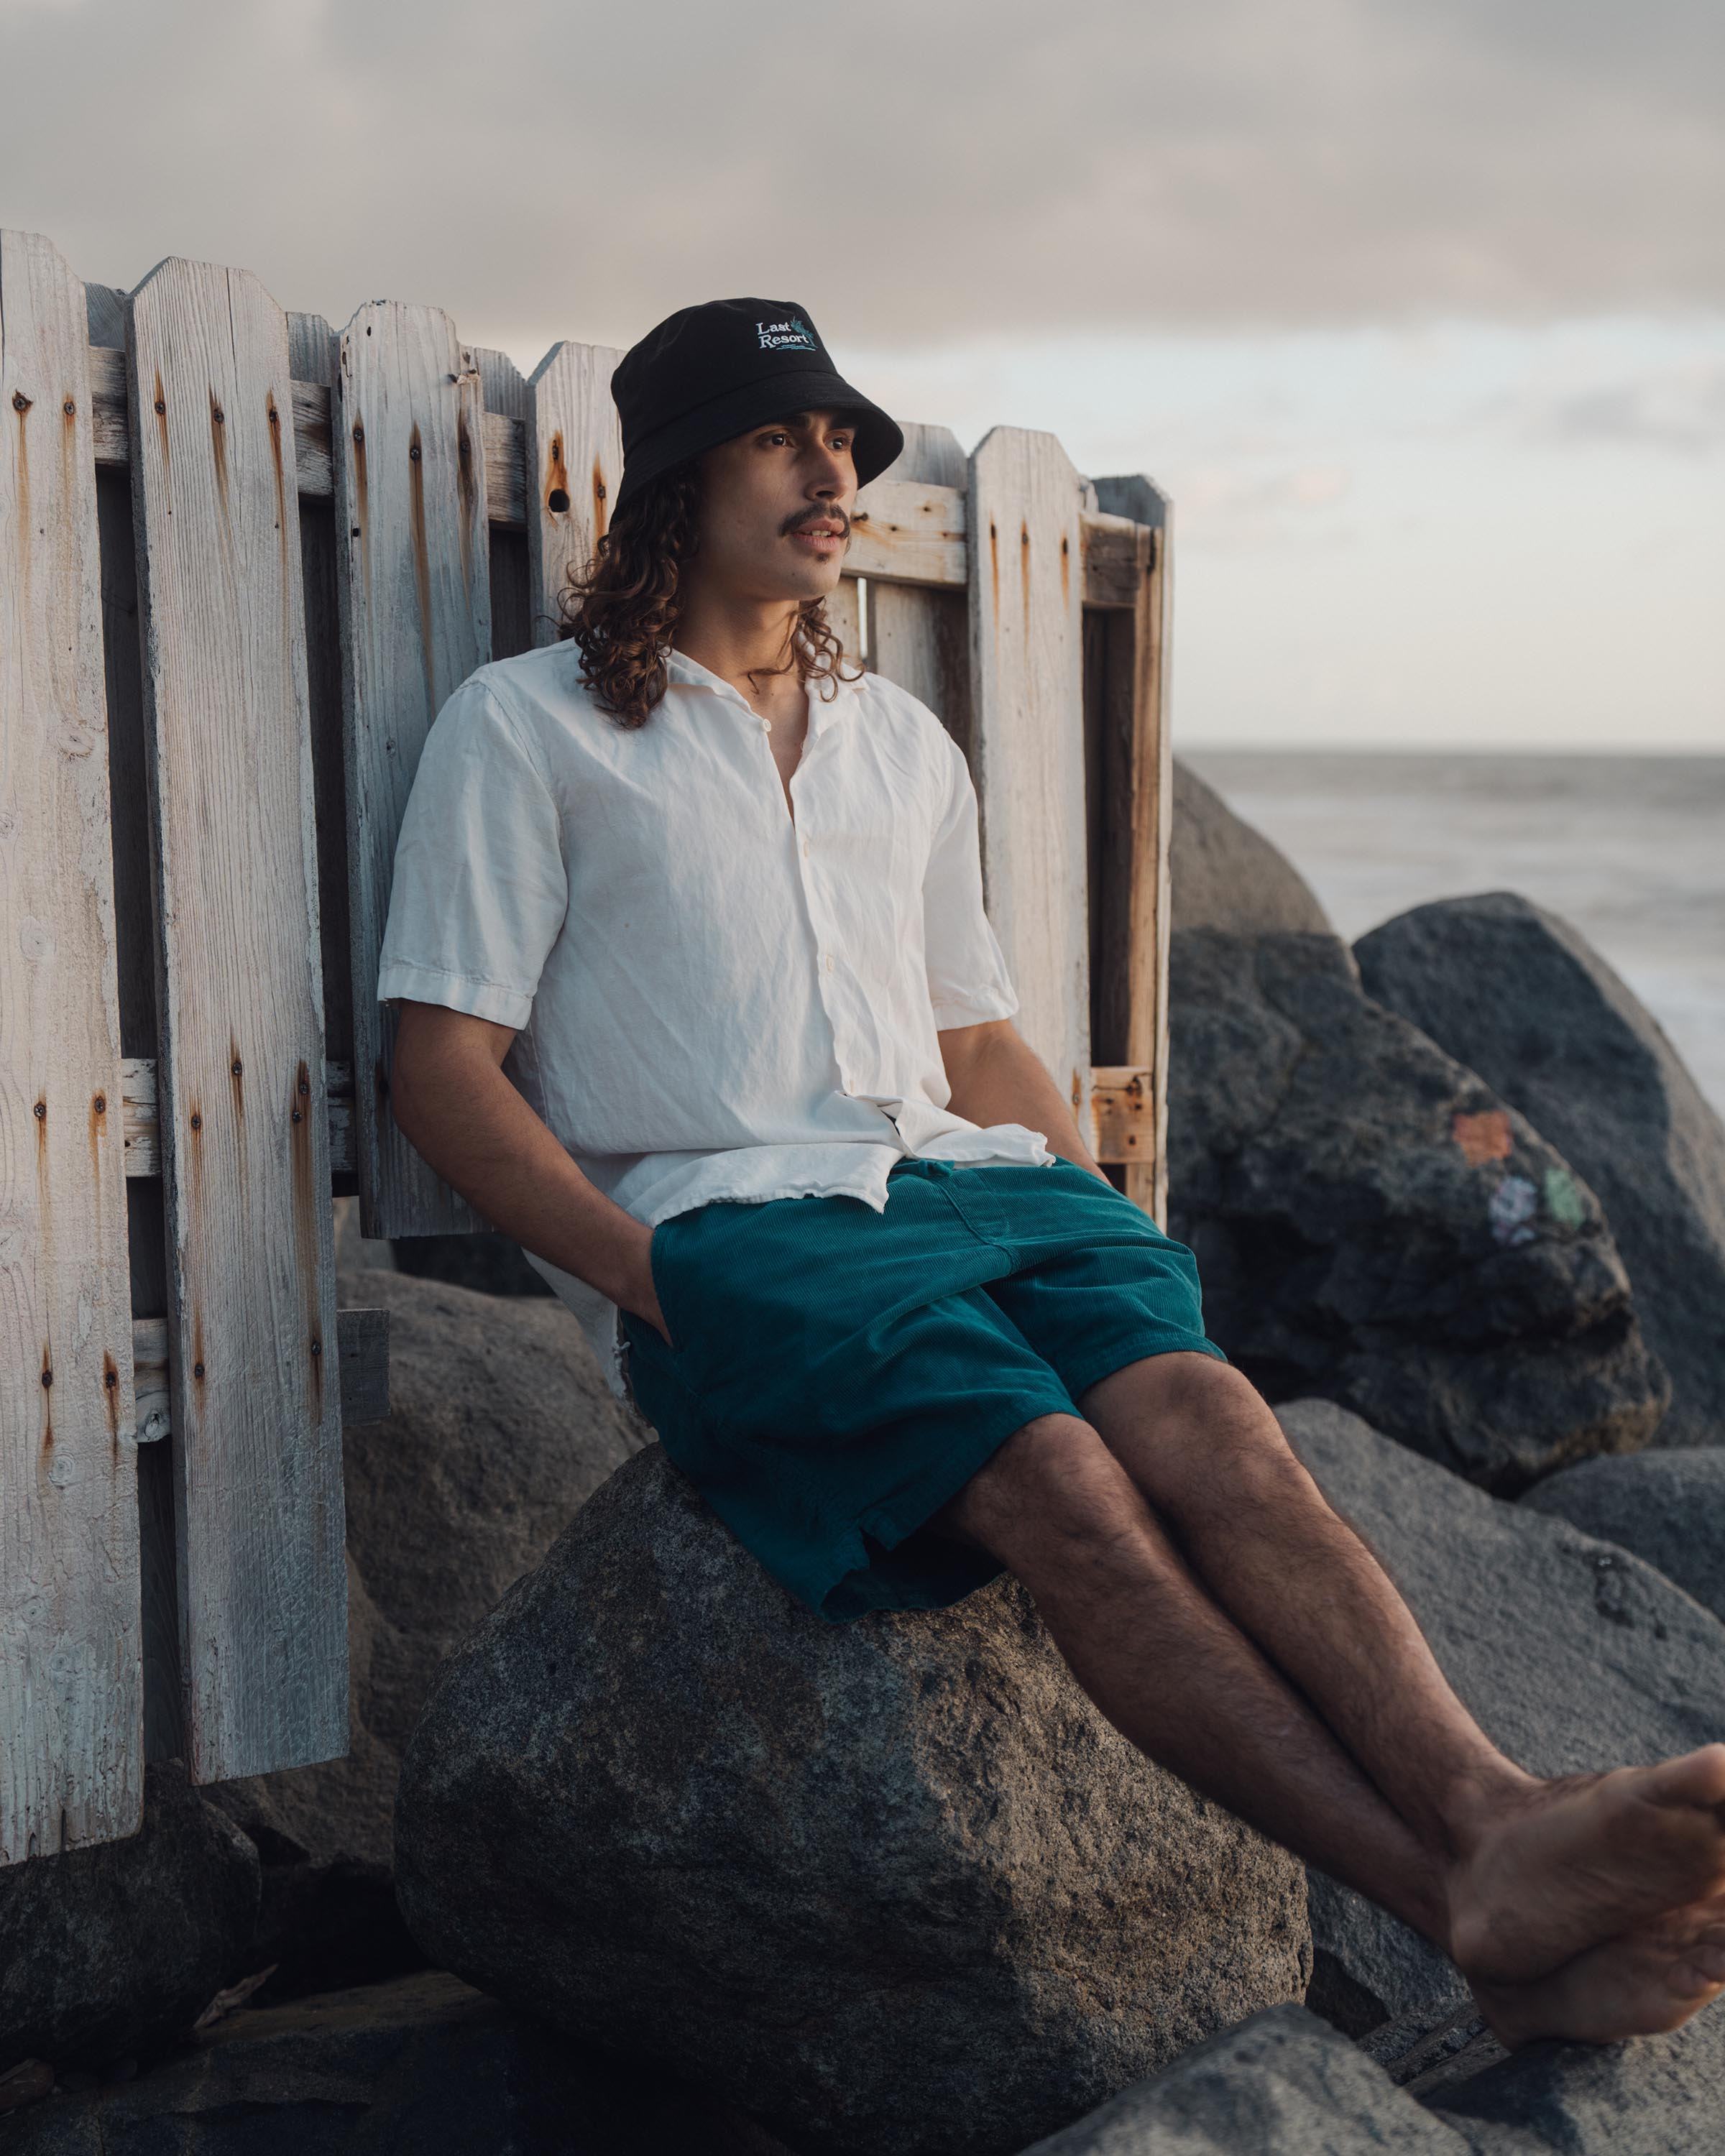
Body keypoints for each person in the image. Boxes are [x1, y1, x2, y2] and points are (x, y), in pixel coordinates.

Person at [376, 297, 1725, 2050]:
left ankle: (1496, 1814)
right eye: (786, 434)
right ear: (679, 478)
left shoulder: (897, 746)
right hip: (747, 1226)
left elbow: (976, 1041)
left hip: (974, 1184)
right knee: (1070, 1491)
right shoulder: (529, 730)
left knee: (1223, 1434)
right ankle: (1455, 1897)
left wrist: (1099, 1215)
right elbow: (443, 1073)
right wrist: (652, 1279)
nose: (834, 466)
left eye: (847, 437)